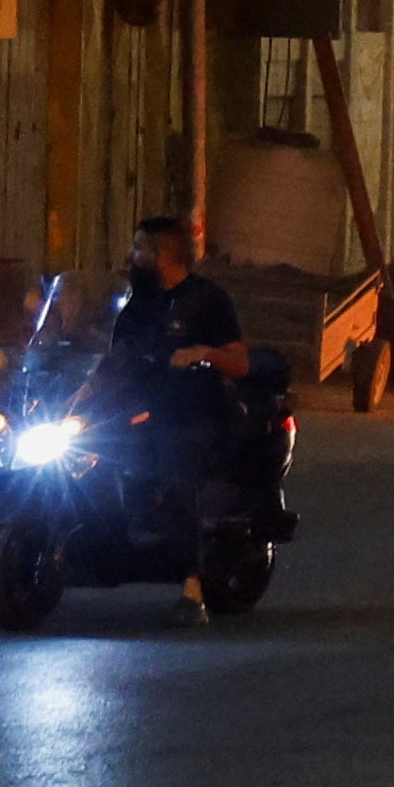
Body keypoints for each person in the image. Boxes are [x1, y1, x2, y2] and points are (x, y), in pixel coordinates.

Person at [108, 216, 252, 626]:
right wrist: (80, 390)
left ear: (162, 255)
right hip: (141, 409)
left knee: (175, 476)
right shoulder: (139, 302)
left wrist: (203, 352)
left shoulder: (208, 301)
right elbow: (115, 357)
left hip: (194, 411)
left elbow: (239, 363)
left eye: (138, 248)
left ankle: (192, 589)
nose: (130, 255)